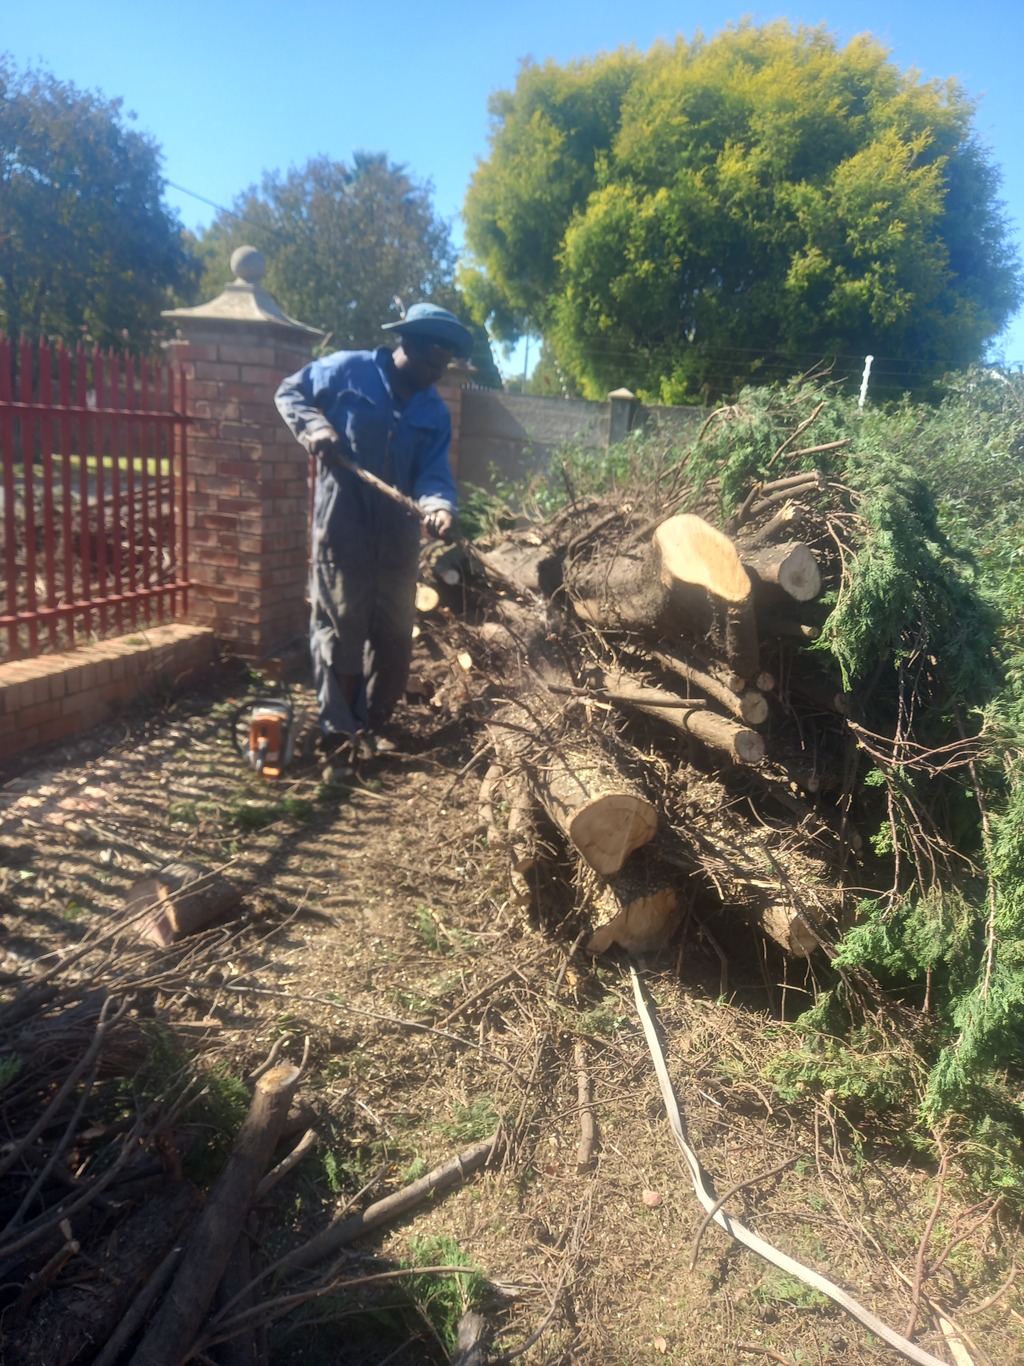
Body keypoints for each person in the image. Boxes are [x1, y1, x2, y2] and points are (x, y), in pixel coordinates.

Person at [274, 302, 472, 770]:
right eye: (432, 361)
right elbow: (290, 392)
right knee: (340, 633)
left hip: (398, 542)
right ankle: (341, 738)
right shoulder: (347, 371)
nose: (437, 372)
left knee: (394, 642)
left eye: (444, 365)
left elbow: (434, 473)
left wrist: (439, 506)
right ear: (407, 345)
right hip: (343, 532)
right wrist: (317, 427)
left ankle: (373, 725)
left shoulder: (433, 411)